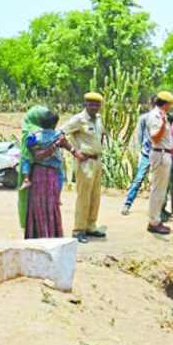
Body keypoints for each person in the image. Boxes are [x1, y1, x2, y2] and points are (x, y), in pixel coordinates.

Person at [21, 110, 77, 239]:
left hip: (38, 173)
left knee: (38, 204)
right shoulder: (58, 136)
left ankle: (37, 234)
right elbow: (68, 147)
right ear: (55, 124)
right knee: (52, 204)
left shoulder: (33, 137)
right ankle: (52, 234)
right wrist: (61, 147)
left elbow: (36, 156)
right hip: (53, 173)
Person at [61, 93, 106, 243]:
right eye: (90, 103)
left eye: (96, 104)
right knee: (84, 196)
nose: (94, 106)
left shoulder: (98, 119)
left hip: (97, 160)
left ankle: (91, 226)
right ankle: (79, 229)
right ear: (85, 104)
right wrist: (74, 151)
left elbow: (101, 136)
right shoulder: (79, 119)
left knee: (95, 196)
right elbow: (61, 134)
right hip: (85, 161)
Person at [122, 95, 157, 216]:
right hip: (147, 153)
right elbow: (140, 135)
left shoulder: (163, 118)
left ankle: (160, 208)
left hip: (158, 154)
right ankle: (127, 203)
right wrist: (141, 150)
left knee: (160, 182)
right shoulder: (144, 118)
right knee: (138, 179)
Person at [145, 91, 173, 235]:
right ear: (166, 103)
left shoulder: (161, 115)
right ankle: (154, 222)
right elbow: (155, 138)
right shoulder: (156, 116)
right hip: (160, 153)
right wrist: (163, 125)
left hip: (164, 154)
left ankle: (155, 219)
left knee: (160, 190)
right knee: (158, 190)